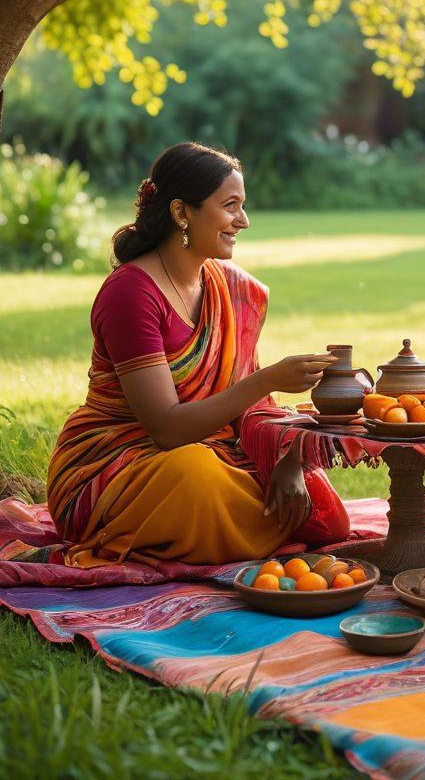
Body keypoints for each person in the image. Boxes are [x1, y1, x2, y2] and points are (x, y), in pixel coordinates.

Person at [47, 142, 349, 567]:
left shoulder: (231, 289)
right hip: (116, 464)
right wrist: (268, 379)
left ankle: (227, 534)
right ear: (181, 212)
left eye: (243, 206)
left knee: (324, 514)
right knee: (197, 475)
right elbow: (166, 430)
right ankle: (237, 536)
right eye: (230, 206)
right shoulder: (131, 293)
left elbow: (254, 408)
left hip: (215, 450)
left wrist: (286, 459)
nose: (243, 221)